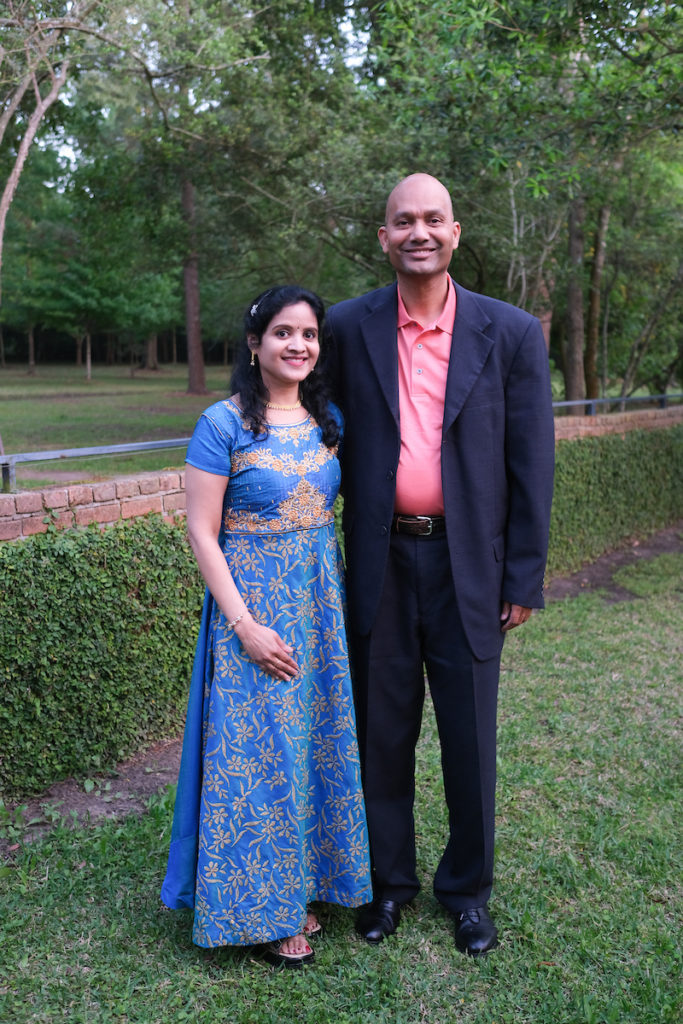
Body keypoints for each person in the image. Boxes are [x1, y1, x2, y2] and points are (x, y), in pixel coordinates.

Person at [326, 173, 555, 956]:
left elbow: (531, 462)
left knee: (468, 739)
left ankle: (466, 892)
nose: (417, 232)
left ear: (454, 233)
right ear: (383, 238)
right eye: (402, 221)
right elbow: (296, 410)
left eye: (432, 219)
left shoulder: (510, 332)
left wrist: (522, 577)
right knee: (380, 734)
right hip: (379, 562)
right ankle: (386, 886)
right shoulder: (344, 327)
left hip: (470, 568)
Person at [161, 285, 372, 967]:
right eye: (283, 332)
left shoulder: (327, 418)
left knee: (311, 746)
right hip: (252, 617)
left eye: (308, 334)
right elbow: (201, 532)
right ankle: (260, 911)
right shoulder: (221, 424)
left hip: (319, 612)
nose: (298, 345)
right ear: (255, 344)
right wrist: (245, 626)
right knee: (260, 756)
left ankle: (302, 885)